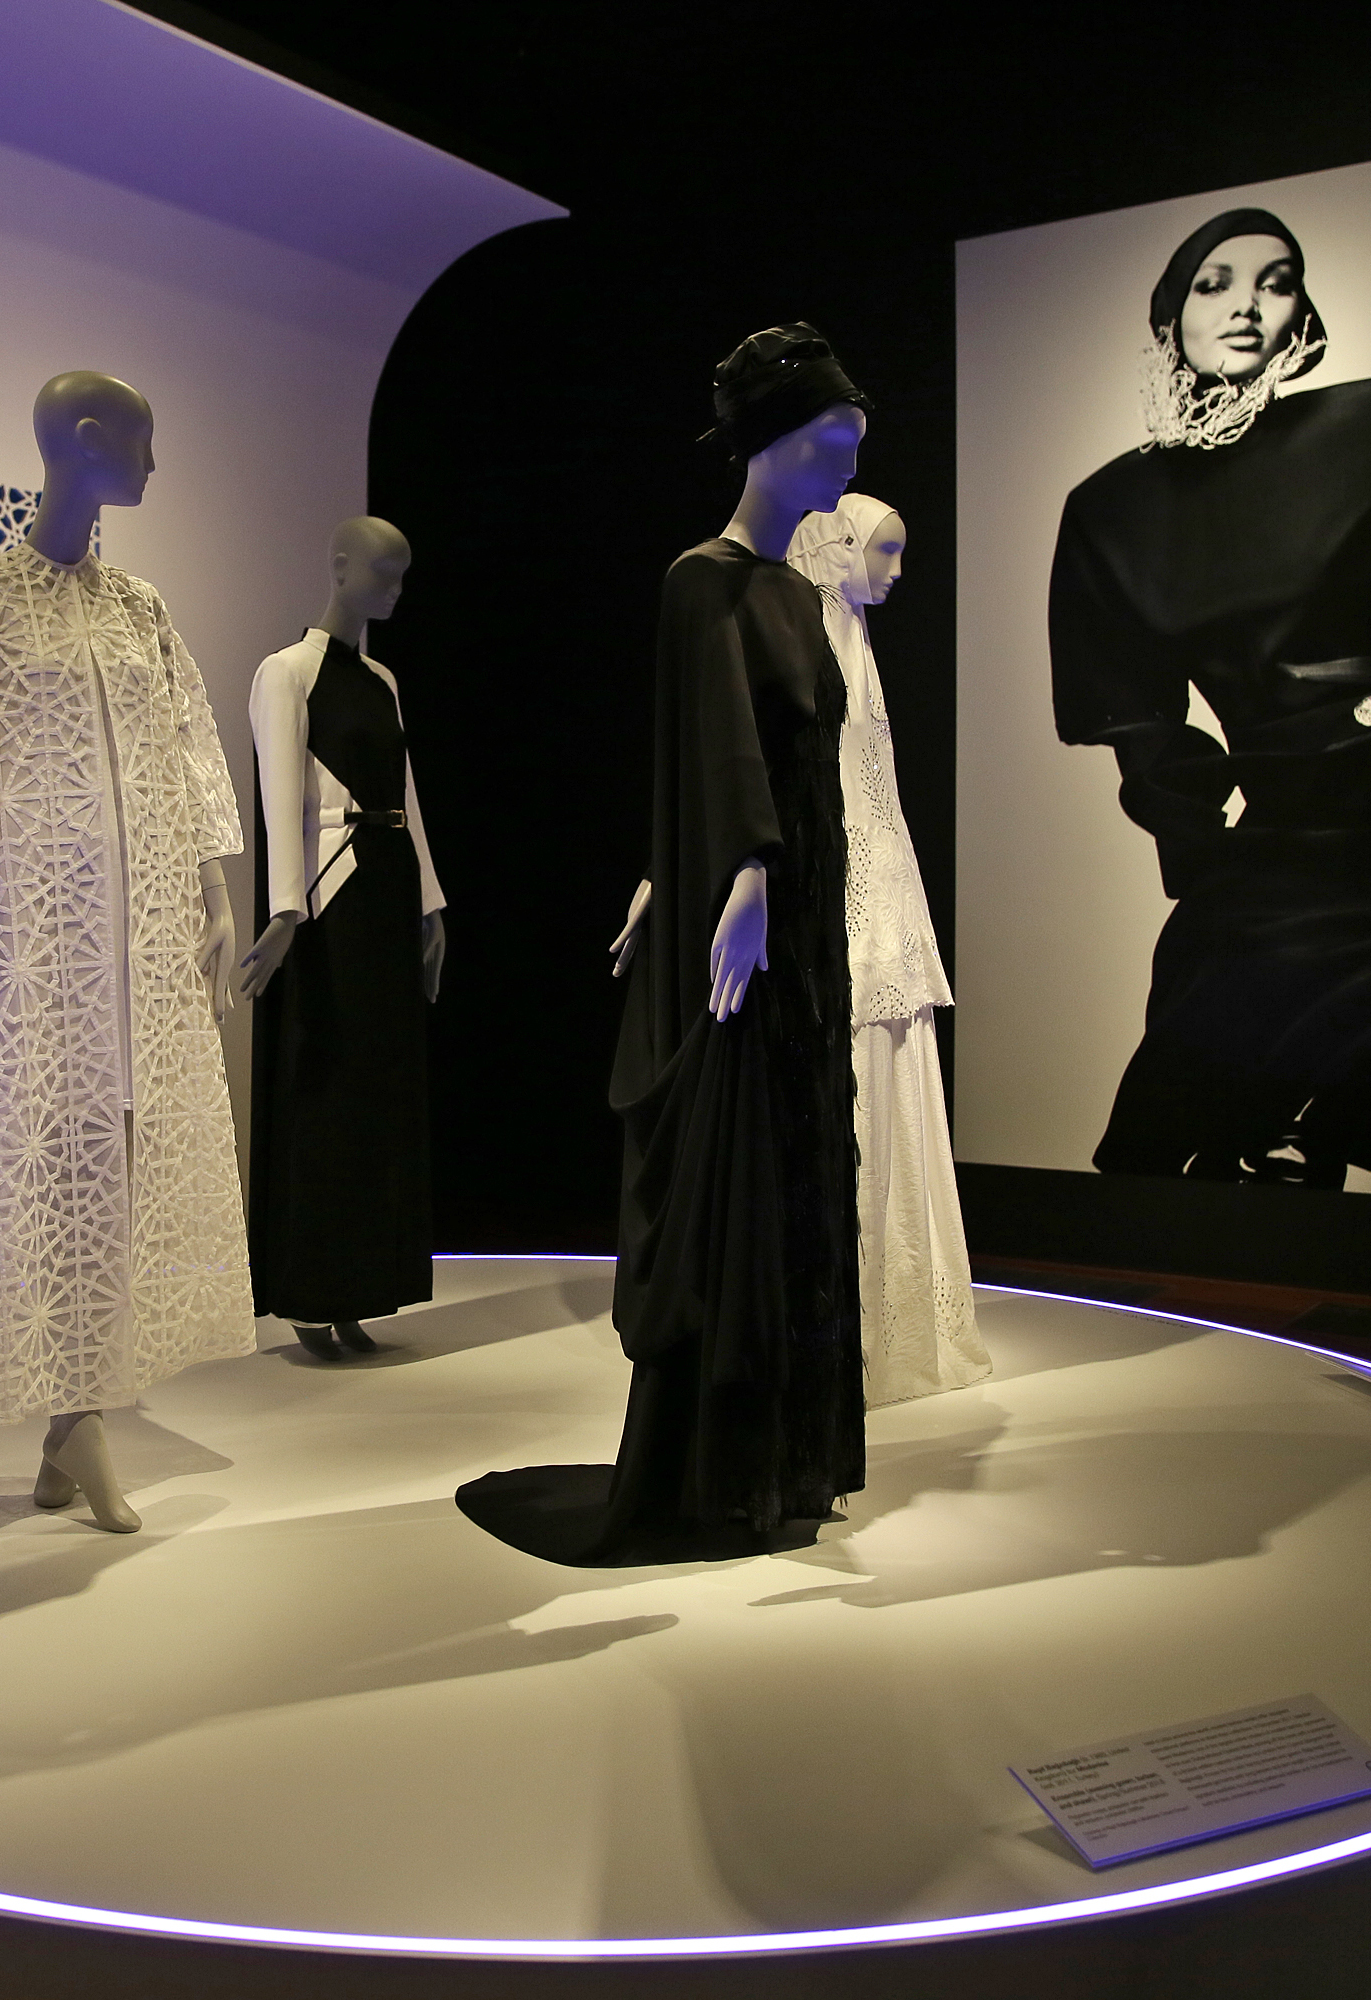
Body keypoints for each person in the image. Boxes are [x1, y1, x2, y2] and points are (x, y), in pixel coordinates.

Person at [1049, 209, 1371, 1189]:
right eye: (1215, 281)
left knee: (1325, 1072)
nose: (1246, 304)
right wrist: (1205, 850)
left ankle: (1310, 1150)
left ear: (1299, 314)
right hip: (1284, 836)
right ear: (1169, 314)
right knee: (1169, 1120)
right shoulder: (1112, 511)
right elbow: (1135, 718)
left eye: (1276, 279)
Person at [457, 323, 867, 1566]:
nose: (852, 448)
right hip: (760, 901)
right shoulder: (705, 578)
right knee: (742, 1147)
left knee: (801, 1151)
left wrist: (694, 866)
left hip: (801, 912)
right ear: (788, 437)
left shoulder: (795, 589)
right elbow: (716, 743)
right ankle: (723, 1462)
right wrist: (724, 871)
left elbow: (770, 749)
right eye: (840, 429)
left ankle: (790, 1453)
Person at [0, 371, 251, 1532]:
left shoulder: (139, 608)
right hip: (36, 938)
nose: (154, 464)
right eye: (142, 440)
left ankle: (74, 1421)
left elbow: (188, 745)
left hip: (138, 936)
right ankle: (77, 1416)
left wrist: (213, 883)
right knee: (47, 1157)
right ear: (88, 441)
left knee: (129, 1155)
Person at [785, 494, 989, 1403]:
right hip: (842, 911)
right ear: (839, 550)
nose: (899, 572)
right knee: (852, 1102)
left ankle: (895, 1326)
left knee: (891, 1094)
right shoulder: (811, 646)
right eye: (887, 552)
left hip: (881, 910)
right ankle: (840, 1332)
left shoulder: (854, 647)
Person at [238, 517, 449, 1360]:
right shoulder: (284, 674)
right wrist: (286, 910)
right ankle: (308, 1290)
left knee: (377, 1095)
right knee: (322, 1092)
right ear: (339, 567)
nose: (394, 589)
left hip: (388, 898)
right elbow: (280, 795)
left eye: (402, 575)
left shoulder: (383, 680)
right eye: (383, 573)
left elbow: (407, 795)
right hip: (331, 906)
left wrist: (431, 904)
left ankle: (362, 1285)